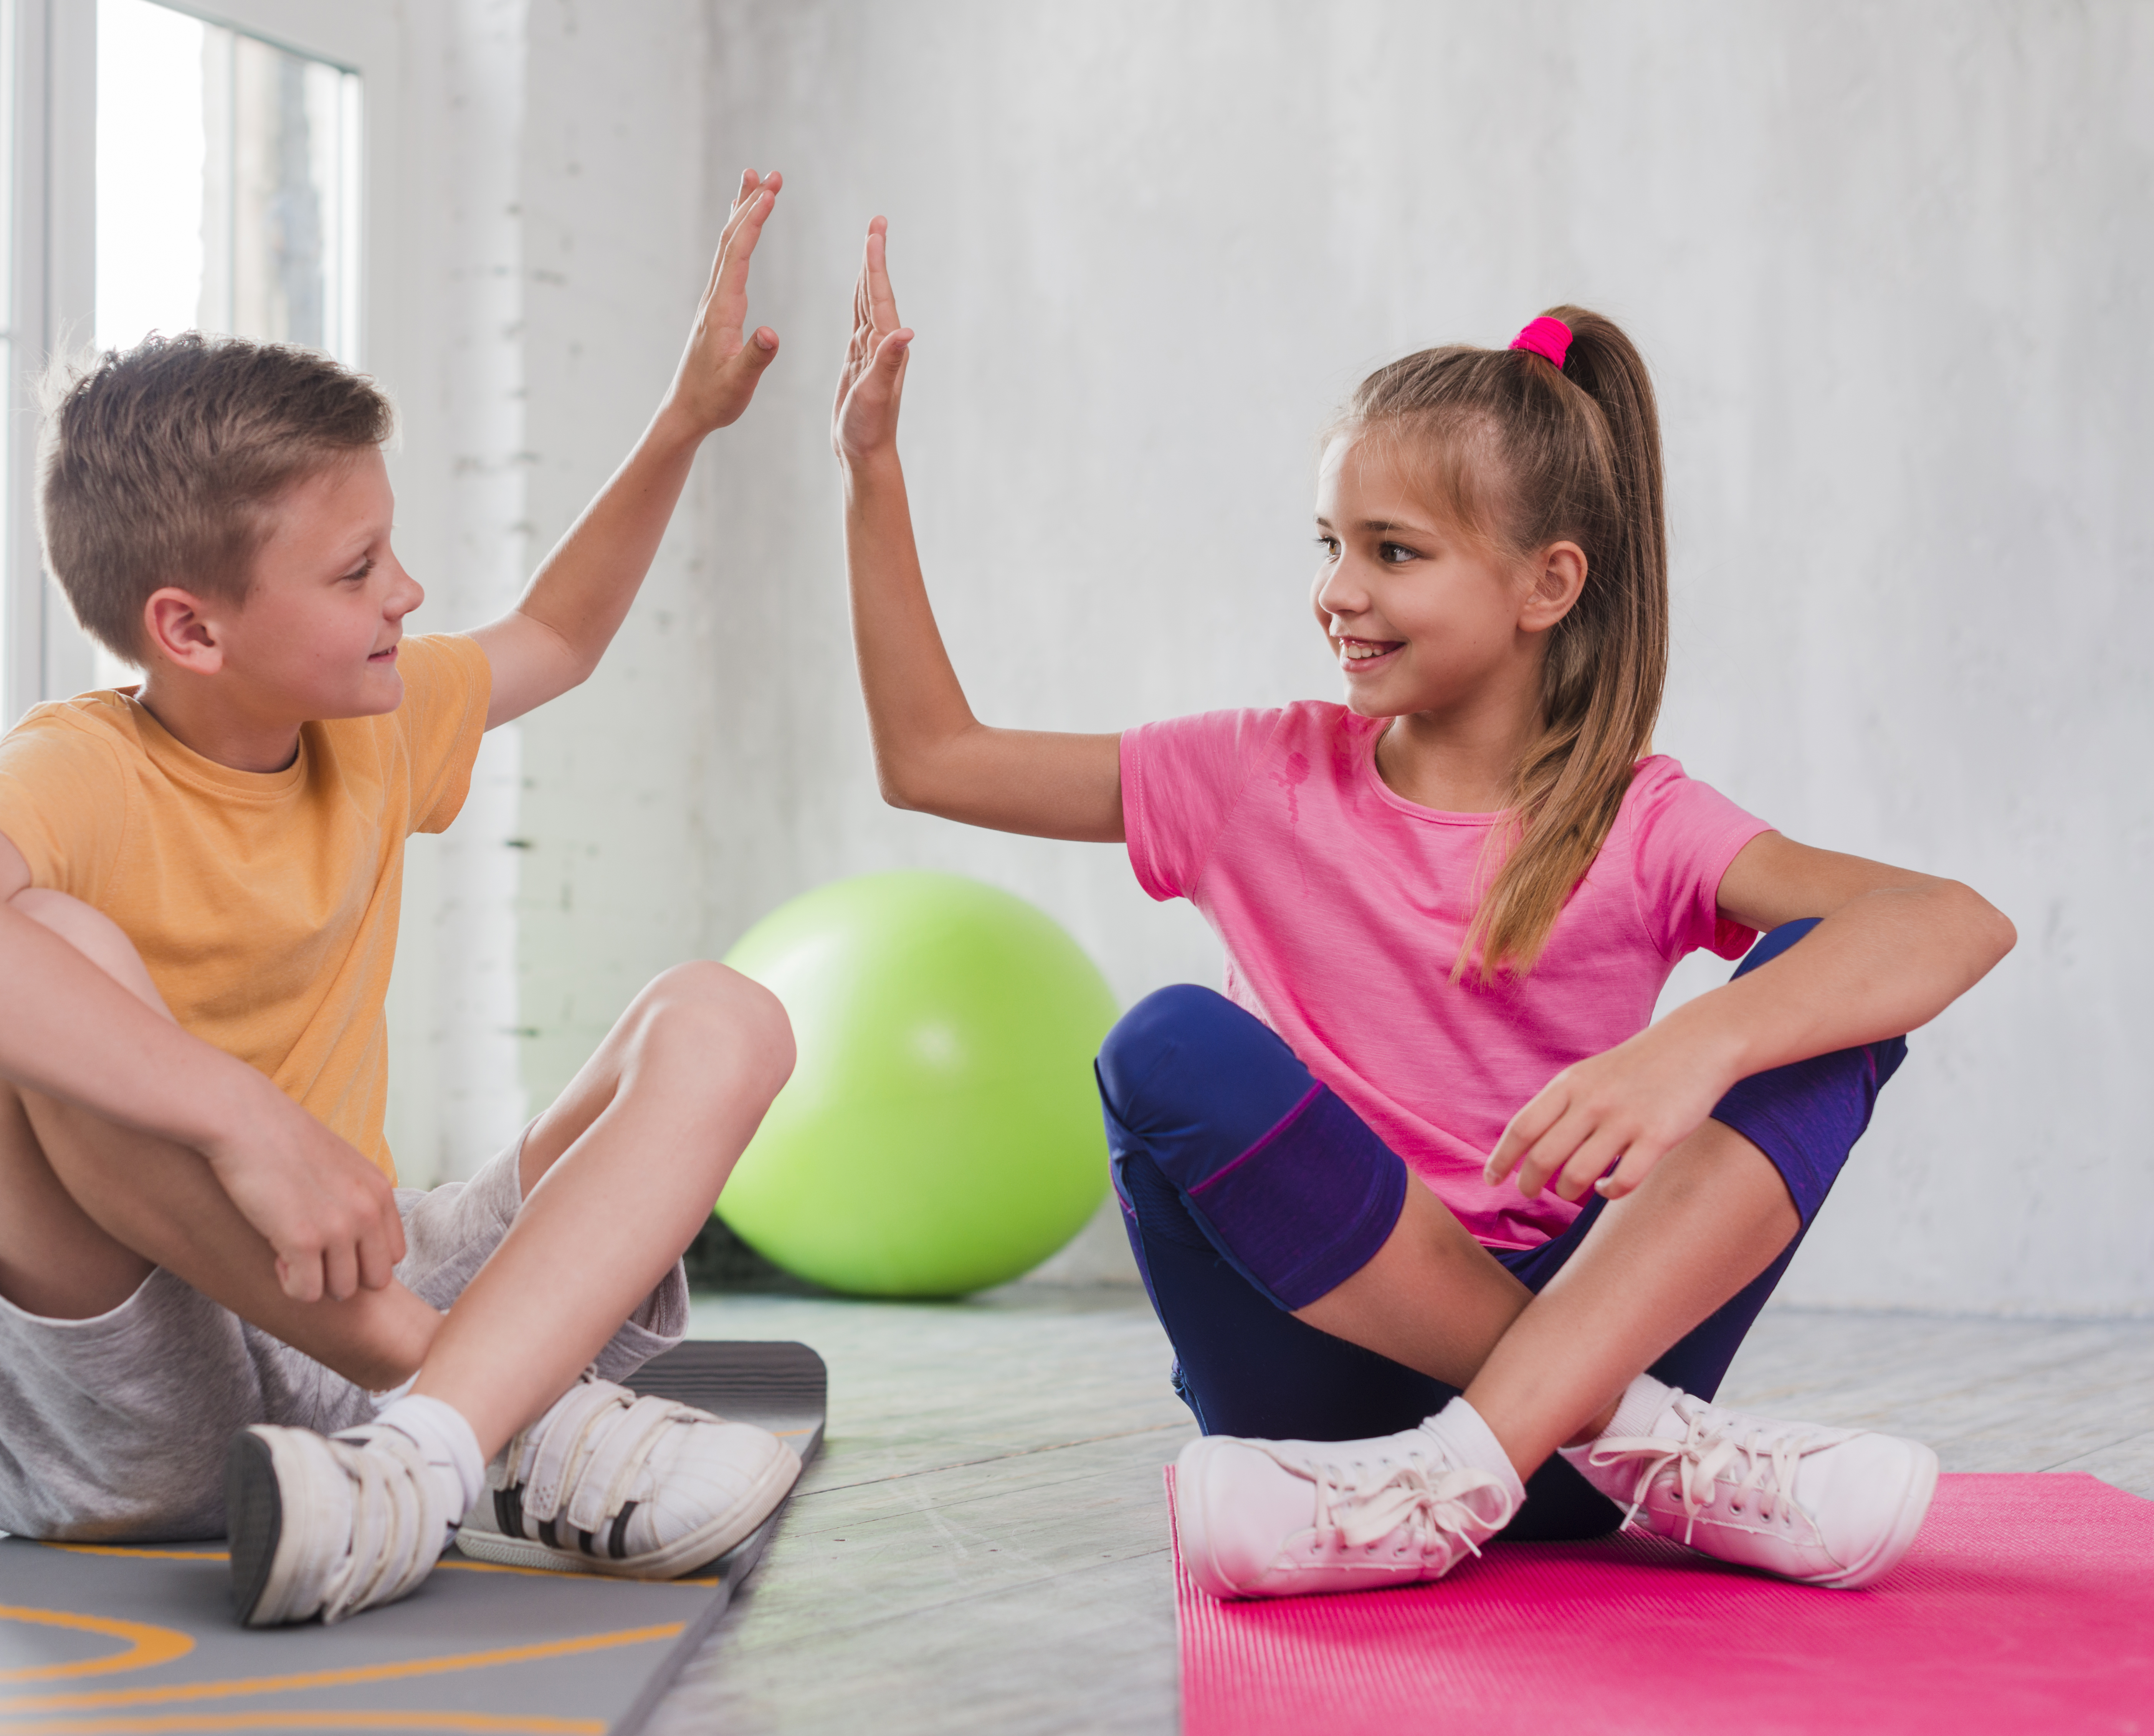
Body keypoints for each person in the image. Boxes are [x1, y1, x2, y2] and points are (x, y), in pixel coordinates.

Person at [826, 221, 2014, 1599]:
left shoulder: (1638, 816)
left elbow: (1952, 924)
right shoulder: (1248, 773)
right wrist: (869, 472)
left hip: (1510, 1438)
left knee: (1832, 993)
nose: (1337, 592)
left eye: (1393, 552)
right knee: (1163, 1044)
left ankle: (1466, 1468)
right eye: (1330, 543)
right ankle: (1628, 1437)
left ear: (1544, 584)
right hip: (1339, 1414)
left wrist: (1699, 1043)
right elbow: (932, 758)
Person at [0, 173, 805, 1630]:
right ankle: (495, 1417)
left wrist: (682, 421)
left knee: (723, 1012)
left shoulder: (373, 716)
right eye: (359, 569)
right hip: (113, 1398)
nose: (408, 591)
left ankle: (426, 1444)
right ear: (191, 627)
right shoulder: (82, 769)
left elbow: (554, 632)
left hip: (348, 1306)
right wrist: (246, 1116)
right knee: (41, 940)